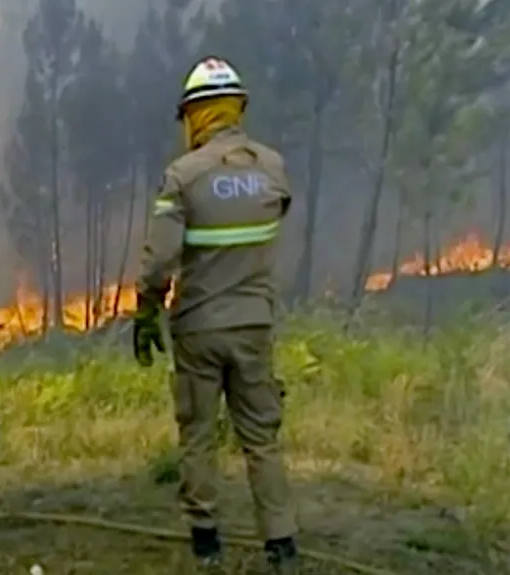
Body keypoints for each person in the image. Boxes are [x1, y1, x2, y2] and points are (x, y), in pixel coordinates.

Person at [131, 56, 299, 574]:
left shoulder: (183, 176)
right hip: (253, 326)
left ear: (194, 115)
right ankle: (282, 544)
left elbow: (159, 259)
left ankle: (206, 545)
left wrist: (146, 310)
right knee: (261, 438)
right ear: (237, 109)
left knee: (199, 435)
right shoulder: (272, 168)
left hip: (200, 330)